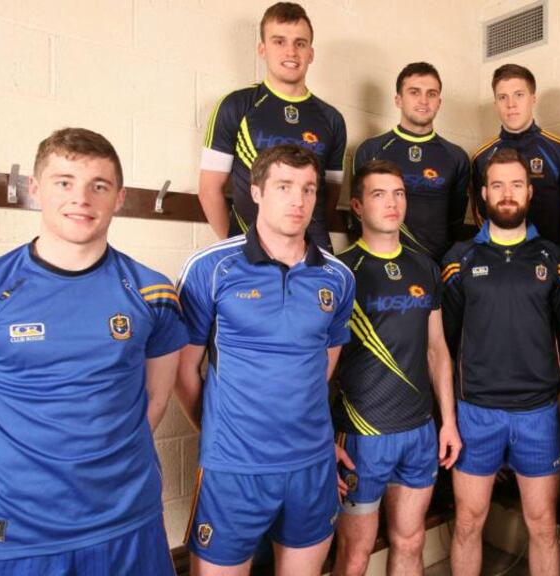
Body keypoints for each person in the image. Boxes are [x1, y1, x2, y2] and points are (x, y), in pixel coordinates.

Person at [0, 128, 187, 575]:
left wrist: (99, 478)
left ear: (120, 197)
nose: (81, 199)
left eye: (99, 186)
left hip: (129, 526)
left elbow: (154, 400)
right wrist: (10, 496)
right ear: (35, 188)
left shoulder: (154, 294)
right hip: (15, 539)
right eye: (64, 182)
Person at [176, 144, 355, 576]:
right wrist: (223, 429)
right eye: (284, 186)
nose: (298, 200)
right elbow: (183, 372)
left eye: (309, 189)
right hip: (233, 469)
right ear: (256, 191)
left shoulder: (338, 277)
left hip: (310, 467)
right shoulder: (210, 268)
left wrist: (304, 431)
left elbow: (323, 364)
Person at [442, 148, 560, 576]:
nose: (507, 193)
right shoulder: (460, 260)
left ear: (530, 191)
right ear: (483, 193)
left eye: (516, 184)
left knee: (542, 526)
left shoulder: (554, 260)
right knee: (467, 523)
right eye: (497, 185)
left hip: (538, 412)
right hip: (475, 411)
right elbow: (448, 337)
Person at [331, 160, 462, 576]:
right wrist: (320, 435)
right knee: (355, 553)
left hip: (419, 431)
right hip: (362, 434)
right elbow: (318, 365)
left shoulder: (424, 266)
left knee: (412, 540)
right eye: (379, 194)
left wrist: (448, 422)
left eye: (399, 194)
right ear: (357, 205)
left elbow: (437, 349)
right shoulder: (339, 271)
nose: (392, 203)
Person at [197, 2, 346, 250]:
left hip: (314, 256)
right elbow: (209, 190)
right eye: (279, 41)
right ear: (262, 49)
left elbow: (328, 197)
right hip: (250, 255)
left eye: (300, 43)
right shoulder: (236, 106)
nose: (291, 52)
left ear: (311, 53)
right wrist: (238, 246)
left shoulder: (332, 119)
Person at [353, 62, 470, 263]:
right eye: (414, 92)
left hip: (436, 267)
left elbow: (456, 221)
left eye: (431, 94)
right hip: (380, 265)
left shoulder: (456, 156)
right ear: (398, 100)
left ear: (439, 102)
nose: (424, 100)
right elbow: (358, 216)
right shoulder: (371, 150)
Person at [472, 63, 560, 257]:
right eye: (502, 97)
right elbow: (480, 214)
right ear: (495, 103)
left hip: (552, 265)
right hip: (501, 264)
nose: (511, 104)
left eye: (519, 95)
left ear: (532, 99)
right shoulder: (481, 157)